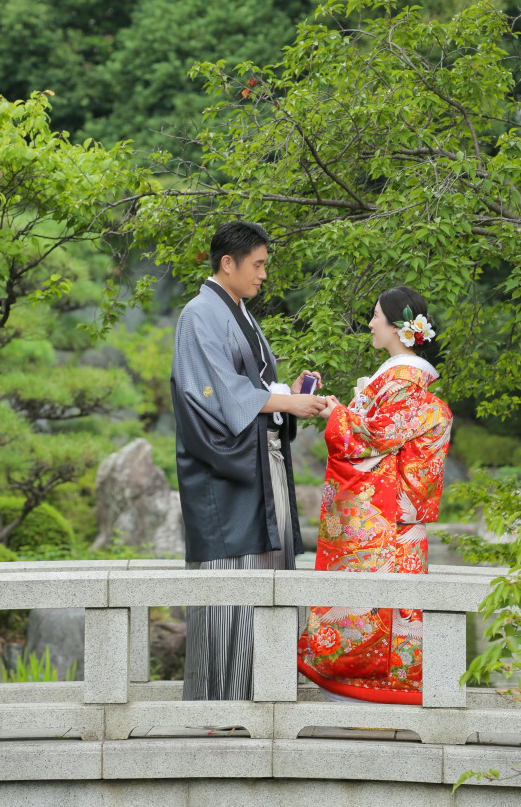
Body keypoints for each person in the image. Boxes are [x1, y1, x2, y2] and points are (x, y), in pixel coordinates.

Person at [171, 220, 326, 700]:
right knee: (231, 588)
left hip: (261, 463)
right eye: (257, 265)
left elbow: (251, 389)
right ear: (228, 263)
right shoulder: (200, 313)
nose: (263, 275)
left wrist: (289, 394)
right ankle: (220, 707)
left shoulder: (238, 311)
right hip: (227, 472)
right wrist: (287, 402)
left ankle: (266, 696)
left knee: (268, 577)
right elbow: (222, 394)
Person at [297, 287, 452, 704]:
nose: (369, 323)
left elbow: (372, 438)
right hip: (393, 521)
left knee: (384, 613)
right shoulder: (398, 380)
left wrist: (338, 415)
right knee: (386, 611)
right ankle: (377, 694)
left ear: (399, 328)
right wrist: (343, 412)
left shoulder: (404, 382)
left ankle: (378, 693)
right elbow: (375, 432)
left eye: (376, 316)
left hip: (387, 524)